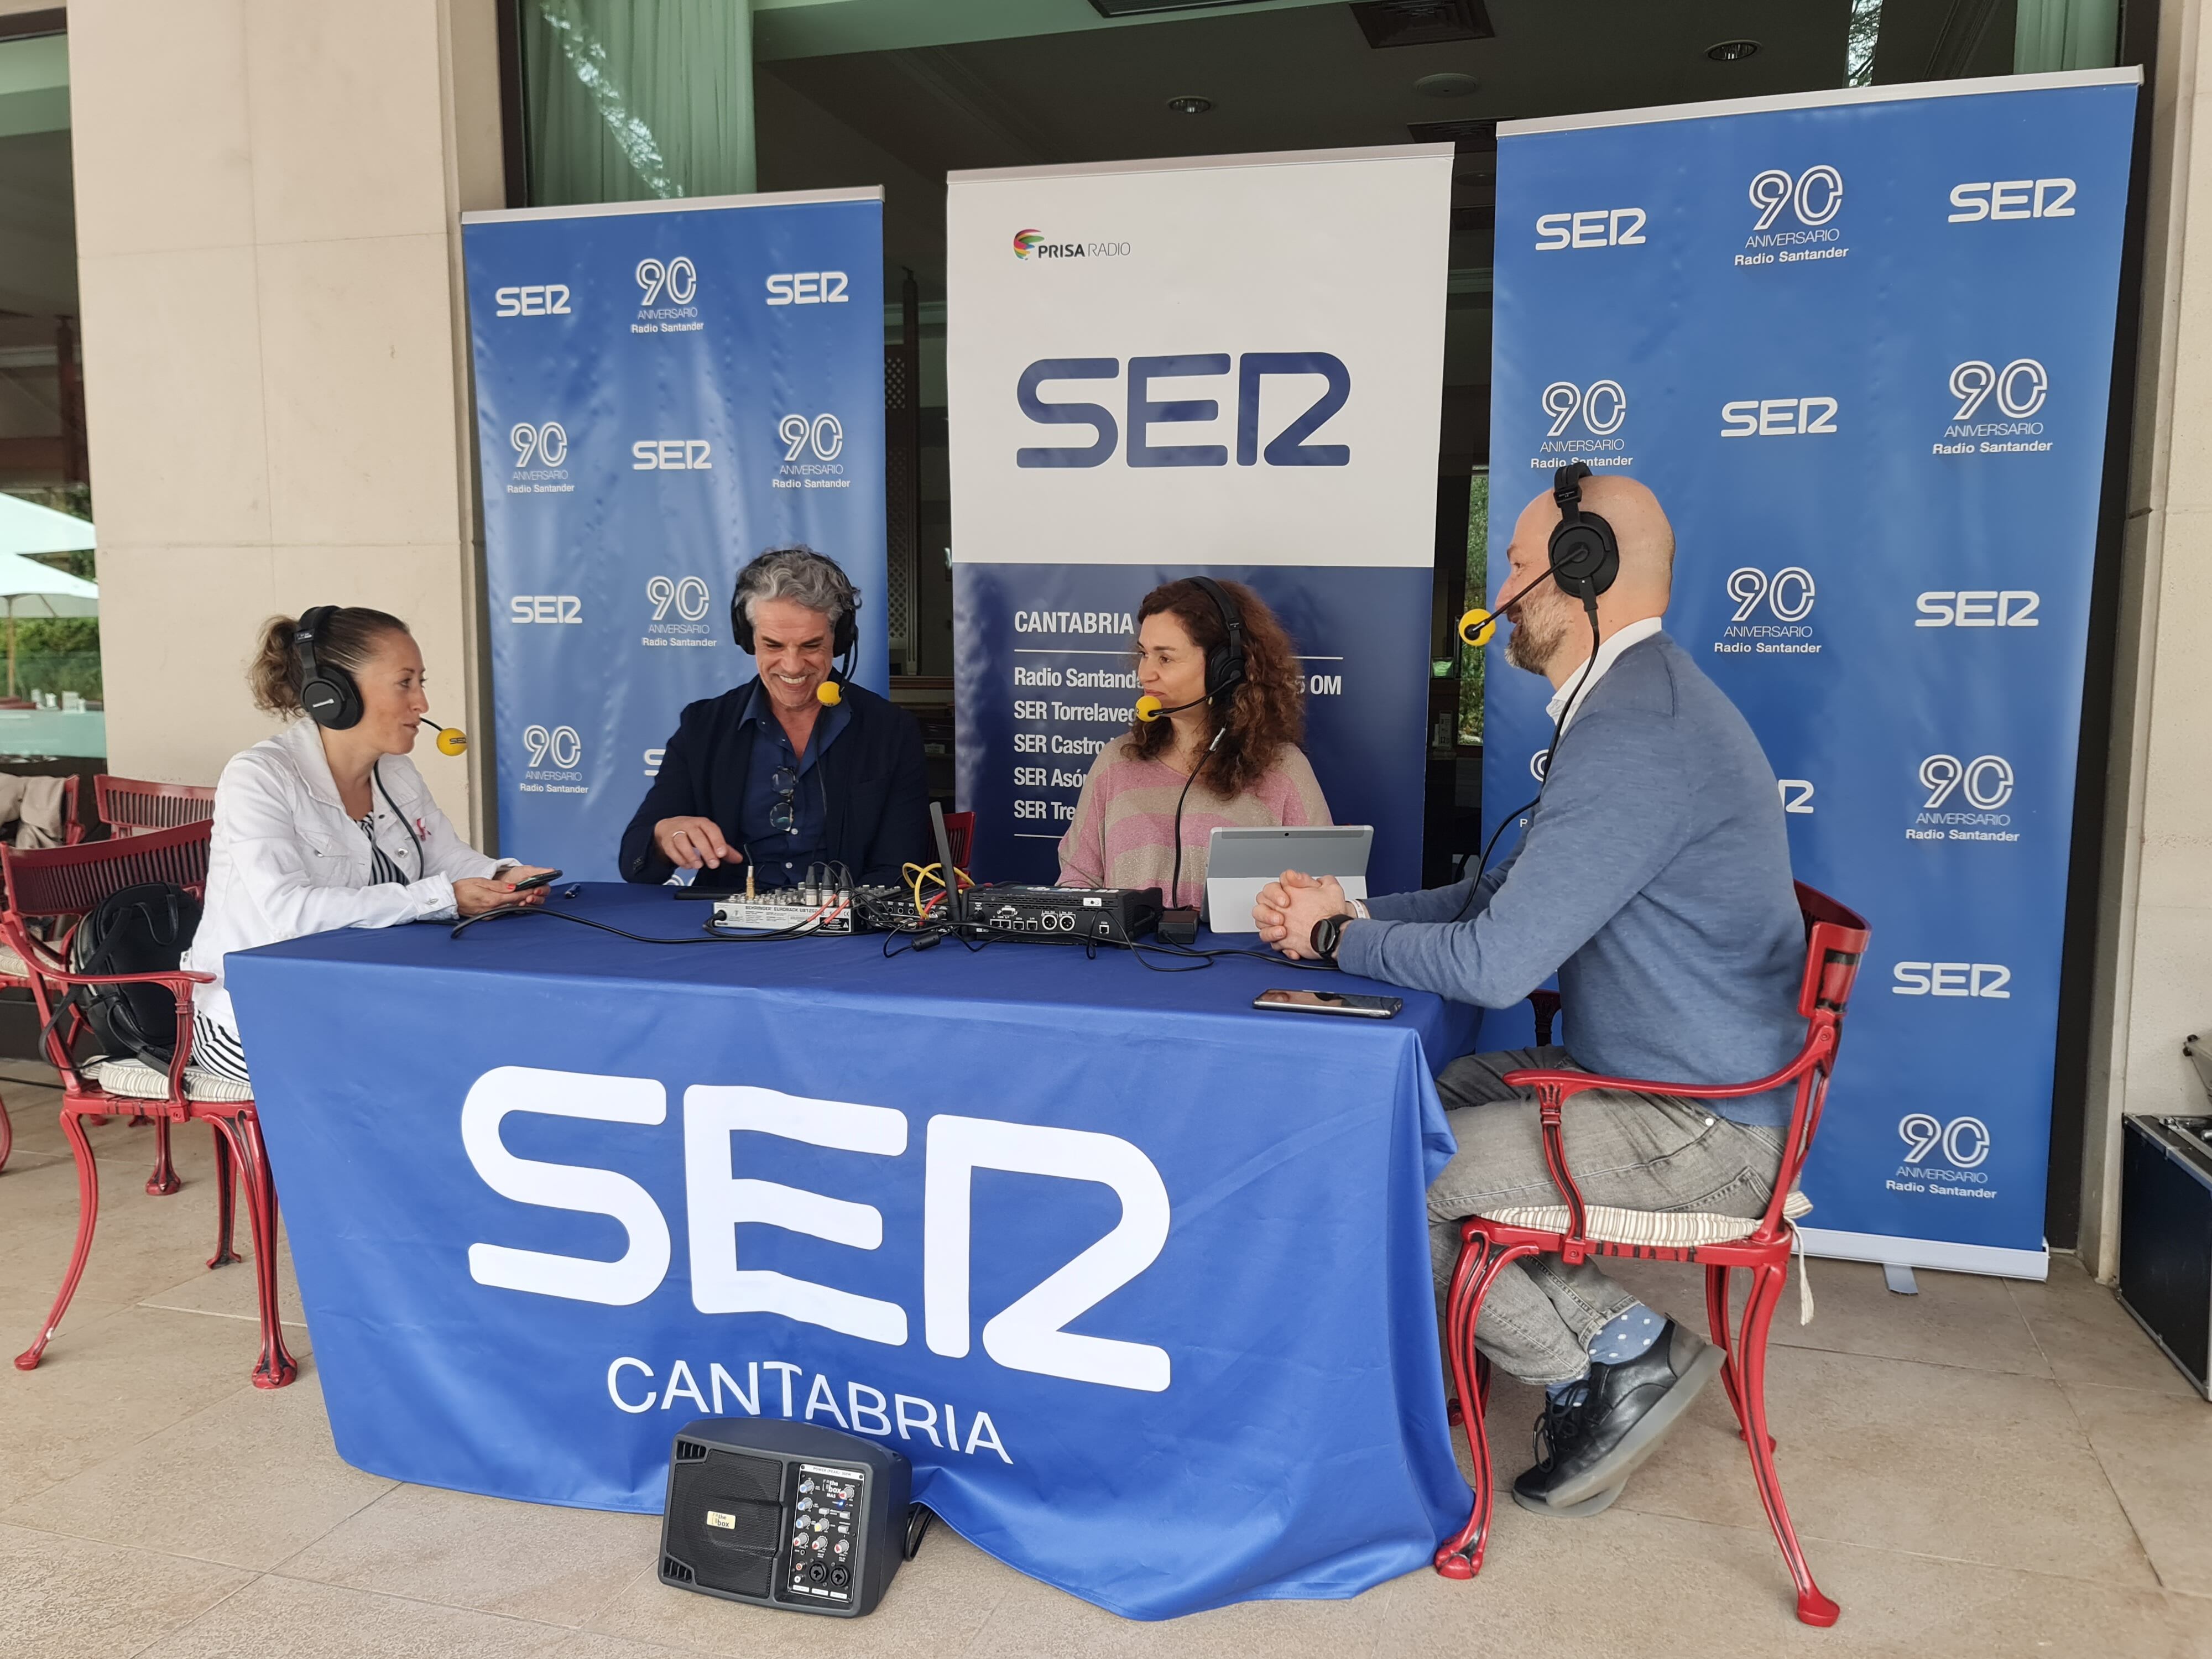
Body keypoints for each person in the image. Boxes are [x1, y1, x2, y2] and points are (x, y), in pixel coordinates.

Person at [1254, 469, 1804, 1518]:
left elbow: (1496, 964)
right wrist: (1354, 911)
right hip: (1654, 1080)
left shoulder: (1640, 733)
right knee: (1437, 1093)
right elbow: (1495, 895)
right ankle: (1586, 1338)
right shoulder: (1633, 710)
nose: (1500, 589)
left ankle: (1609, 1359)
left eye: (1514, 563)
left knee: (1385, 1168)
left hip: (1702, 1130)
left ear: (1580, 569)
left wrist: (1333, 939)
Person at [187, 607, 553, 1083]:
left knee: (477, 1048)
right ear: (333, 694)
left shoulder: (395, 770)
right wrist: (443, 896)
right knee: (403, 1077)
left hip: (356, 1000)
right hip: (250, 1018)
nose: (422, 702)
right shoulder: (259, 776)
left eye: (421, 682)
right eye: (404, 683)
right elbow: (289, 913)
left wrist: (501, 877)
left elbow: (444, 856)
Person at [620, 546, 930, 889]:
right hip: (723, 931)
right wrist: (665, 837)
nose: (793, 666)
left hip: (844, 931)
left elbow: (901, 868)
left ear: (839, 640)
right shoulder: (704, 726)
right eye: (774, 646)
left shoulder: (890, 731)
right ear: (748, 640)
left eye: (811, 646)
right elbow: (635, 865)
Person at [1057, 577, 1328, 907]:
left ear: (1224, 669)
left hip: (1242, 959)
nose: (1145, 674)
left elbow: (1322, 897)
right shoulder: (1116, 763)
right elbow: (1077, 881)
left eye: (1165, 659)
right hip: (1126, 959)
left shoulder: (1284, 770)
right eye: (1144, 654)